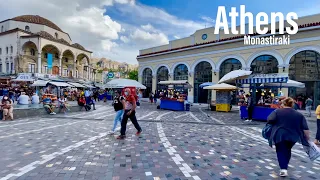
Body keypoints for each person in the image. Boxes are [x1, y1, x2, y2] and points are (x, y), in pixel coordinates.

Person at [267, 97, 310, 177]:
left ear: (283, 103)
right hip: (293, 136)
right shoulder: (299, 114)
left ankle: (283, 169)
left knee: (280, 150)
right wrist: (307, 138)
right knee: (287, 149)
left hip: (280, 135)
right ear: (292, 104)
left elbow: (269, 119)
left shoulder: (277, 111)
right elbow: (305, 128)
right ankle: (285, 163)